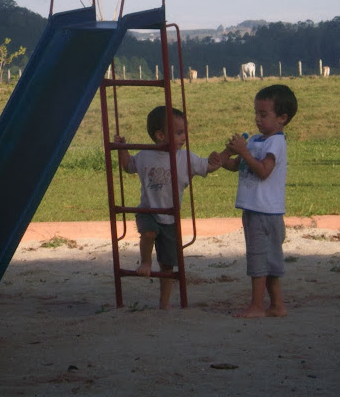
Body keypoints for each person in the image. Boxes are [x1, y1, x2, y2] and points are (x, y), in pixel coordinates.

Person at [115, 106, 221, 309]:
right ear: (160, 135)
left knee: (167, 264)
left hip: (170, 218)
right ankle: (145, 261)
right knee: (148, 233)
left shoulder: (185, 157)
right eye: (179, 133)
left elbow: (207, 165)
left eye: (184, 132)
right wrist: (122, 149)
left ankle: (164, 303)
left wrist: (220, 158)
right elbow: (128, 166)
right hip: (147, 211)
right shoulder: (146, 154)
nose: (184, 137)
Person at [220, 84, 298, 319]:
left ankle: (256, 306)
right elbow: (237, 166)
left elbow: (264, 170)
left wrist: (244, 152)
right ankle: (277, 305)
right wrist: (224, 157)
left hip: (264, 211)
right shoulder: (256, 140)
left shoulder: (276, 142)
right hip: (257, 210)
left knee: (258, 260)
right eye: (256, 113)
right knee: (269, 260)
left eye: (263, 114)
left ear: (282, 118)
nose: (257, 119)